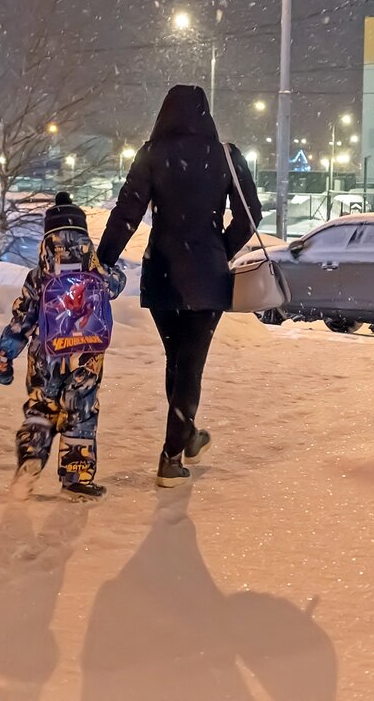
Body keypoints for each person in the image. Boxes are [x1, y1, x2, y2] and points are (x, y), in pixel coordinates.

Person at [97, 85, 262, 488]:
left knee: (177, 359)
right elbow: (250, 214)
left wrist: (102, 260)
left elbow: (126, 213)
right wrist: (217, 249)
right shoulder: (226, 155)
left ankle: (186, 436)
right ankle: (172, 455)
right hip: (207, 278)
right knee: (190, 363)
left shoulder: (151, 154)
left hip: (163, 274)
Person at [0, 192, 126, 502]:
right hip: (86, 356)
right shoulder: (98, 272)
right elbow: (117, 284)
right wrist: (106, 265)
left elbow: (22, 319)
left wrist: (6, 354)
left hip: (46, 354)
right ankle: (76, 476)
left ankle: (31, 456)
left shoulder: (38, 277)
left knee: (41, 407)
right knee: (80, 412)